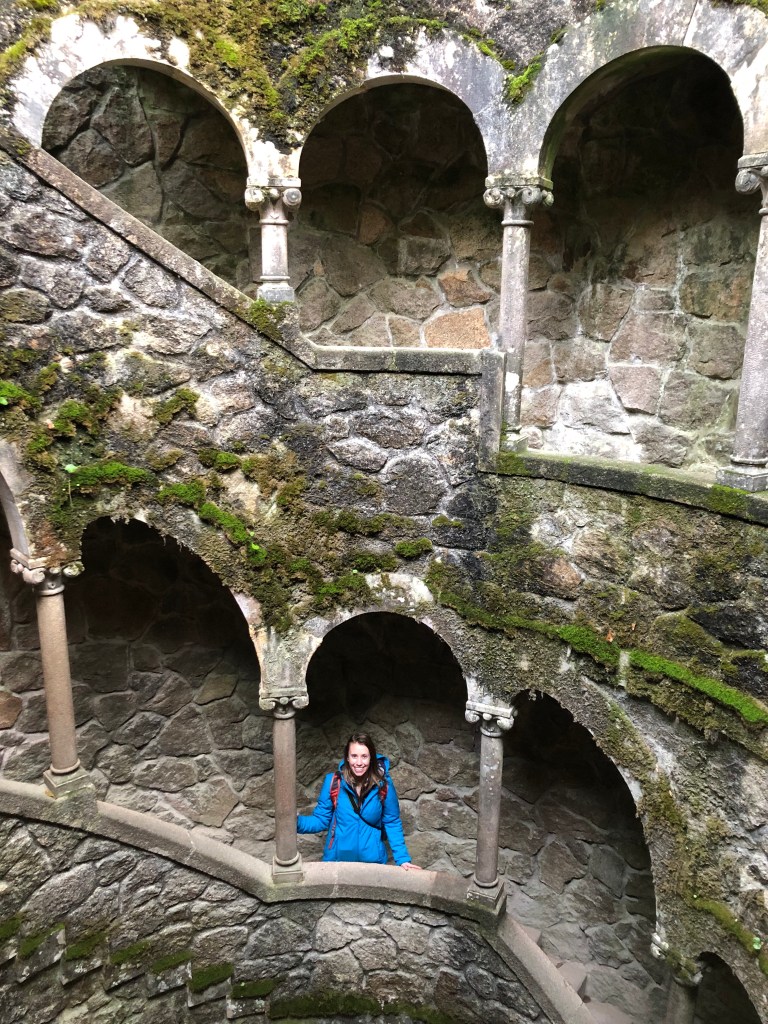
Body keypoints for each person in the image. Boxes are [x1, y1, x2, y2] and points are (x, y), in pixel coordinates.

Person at [298, 732, 419, 870]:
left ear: (371, 758)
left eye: (364, 756)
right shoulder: (333, 782)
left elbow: (392, 822)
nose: (359, 763)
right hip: (337, 863)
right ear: (347, 758)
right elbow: (320, 820)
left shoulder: (384, 785)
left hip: (373, 864)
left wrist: (402, 858)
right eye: (354, 756)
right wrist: (295, 823)